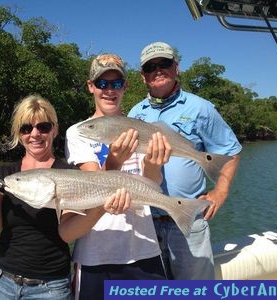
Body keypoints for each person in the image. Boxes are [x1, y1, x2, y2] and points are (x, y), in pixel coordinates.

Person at [60, 54, 171, 300]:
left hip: (144, 250)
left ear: (125, 87)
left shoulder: (143, 129)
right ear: (91, 87)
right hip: (95, 256)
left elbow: (151, 184)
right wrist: (114, 161)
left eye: (116, 84)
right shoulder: (79, 132)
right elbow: (95, 189)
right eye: (102, 84)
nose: (109, 90)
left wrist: (154, 163)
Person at [128, 42, 242, 280]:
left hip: (188, 221)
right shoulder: (133, 114)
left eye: (164, 64)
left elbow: (230, 151)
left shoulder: (201, 108)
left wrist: (220, 192)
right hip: (146, 222)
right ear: (142, 76)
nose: (158, 70)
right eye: (150, 67)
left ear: (176, 67)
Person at [0, 95, 73, 300]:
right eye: (26, 128)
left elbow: (70, 232)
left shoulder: (69, 174)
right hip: (0, 282)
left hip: (50, 287)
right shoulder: (5, 175)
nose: (35, 134)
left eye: (43, 127)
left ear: (55, 129)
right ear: (18, 133)